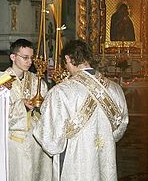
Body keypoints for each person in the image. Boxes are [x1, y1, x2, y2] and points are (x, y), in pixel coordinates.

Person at [33, 39, 129, 181]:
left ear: (67, 58)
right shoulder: (115, 88)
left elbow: (51, 140)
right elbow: (121, 126)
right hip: (104, 155)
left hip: (74, 162)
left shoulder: (61, 92)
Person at [5, 39, 52, 181]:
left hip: (35, 139)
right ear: (13, 57)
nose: (29, 61)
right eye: (25, 57)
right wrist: (22, 106)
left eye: (31, 58)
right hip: (14, 141)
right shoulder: (1, 82)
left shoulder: (37, 81)